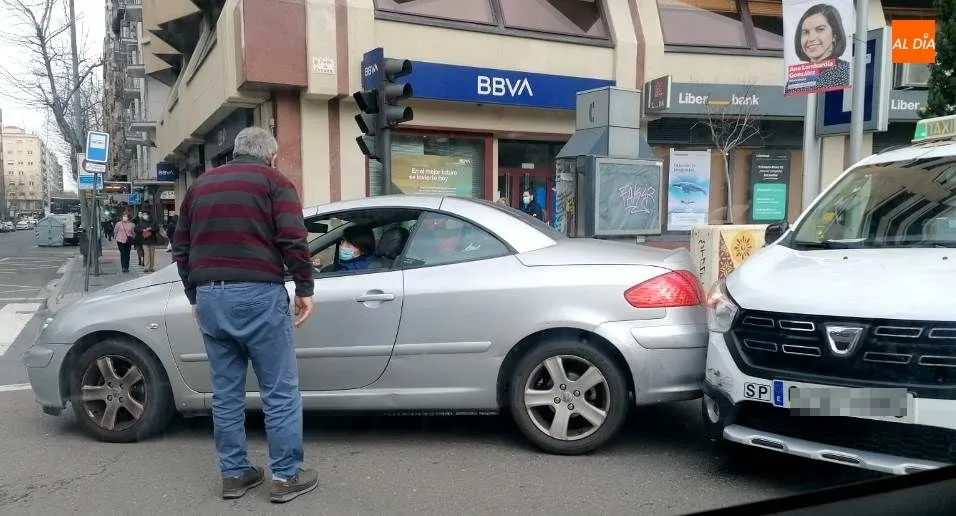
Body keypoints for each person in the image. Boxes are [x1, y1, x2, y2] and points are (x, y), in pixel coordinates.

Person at [173, 126, 317, 504]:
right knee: (280, 391)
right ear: (271, 156)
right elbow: (293, 238)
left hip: (211, 296)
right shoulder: (275, 182)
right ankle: (285, 477)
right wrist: (304, 289)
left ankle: (234, 474)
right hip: (259, 294)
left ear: (234, 152)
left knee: (226, 392)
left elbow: (180, 246)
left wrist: (194, 293)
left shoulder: (200, 186)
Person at [787, 3, 849, 93]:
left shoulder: (845, 71)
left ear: (834, 35)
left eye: (820, 29)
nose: (811, 38)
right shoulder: (797, 78)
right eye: (805, 32)